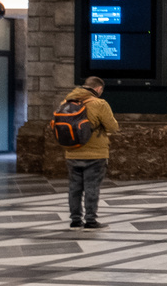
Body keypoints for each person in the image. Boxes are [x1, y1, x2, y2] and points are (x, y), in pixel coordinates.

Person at [61, 77, 119, 228]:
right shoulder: (99, 104)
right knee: (91, 187)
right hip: (95, 154)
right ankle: (91, 220)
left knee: (74, 188)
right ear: (98, 89)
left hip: (72, 152)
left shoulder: (66, 102)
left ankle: (75, 219)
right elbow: (112, 127)